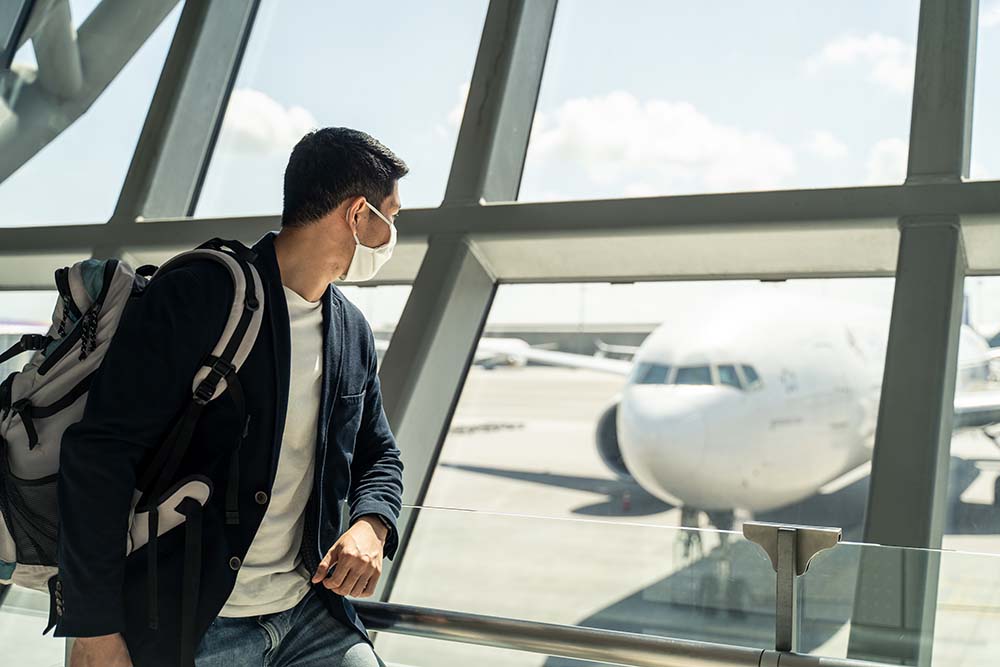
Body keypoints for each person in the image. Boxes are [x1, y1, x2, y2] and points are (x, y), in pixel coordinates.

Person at [54, 127, 407, 667]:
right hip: (192, 623)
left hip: (311, 615)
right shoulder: (203, 294)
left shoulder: (350, 331)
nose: (392, 234)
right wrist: (94, 627)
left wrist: (372, 523)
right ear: (359, 214)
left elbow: (378, 453)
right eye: (393, 217)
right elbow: (99, 454)